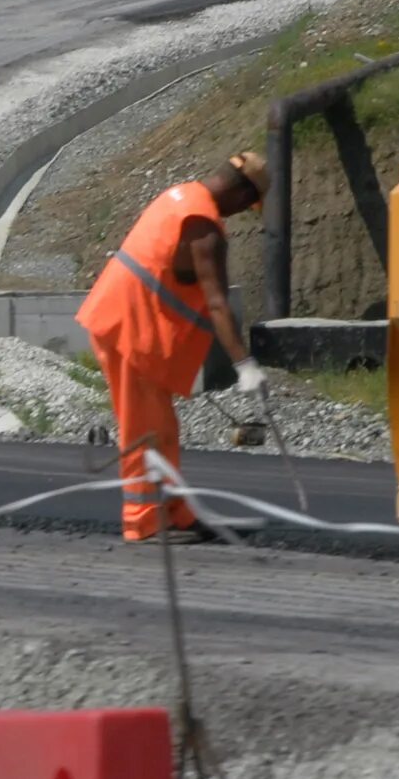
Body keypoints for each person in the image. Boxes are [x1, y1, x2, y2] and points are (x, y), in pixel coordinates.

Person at [74, 154, 269, 543]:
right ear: (242, 191)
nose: (242, 212)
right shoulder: (204, 229)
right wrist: (245, 364)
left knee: (161, 428)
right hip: (131, 332)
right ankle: (143, 521)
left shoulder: (180, 196)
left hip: (127, 326)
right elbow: (216, 303)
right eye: (248, 205)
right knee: (143, 431)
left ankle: (176, 513)